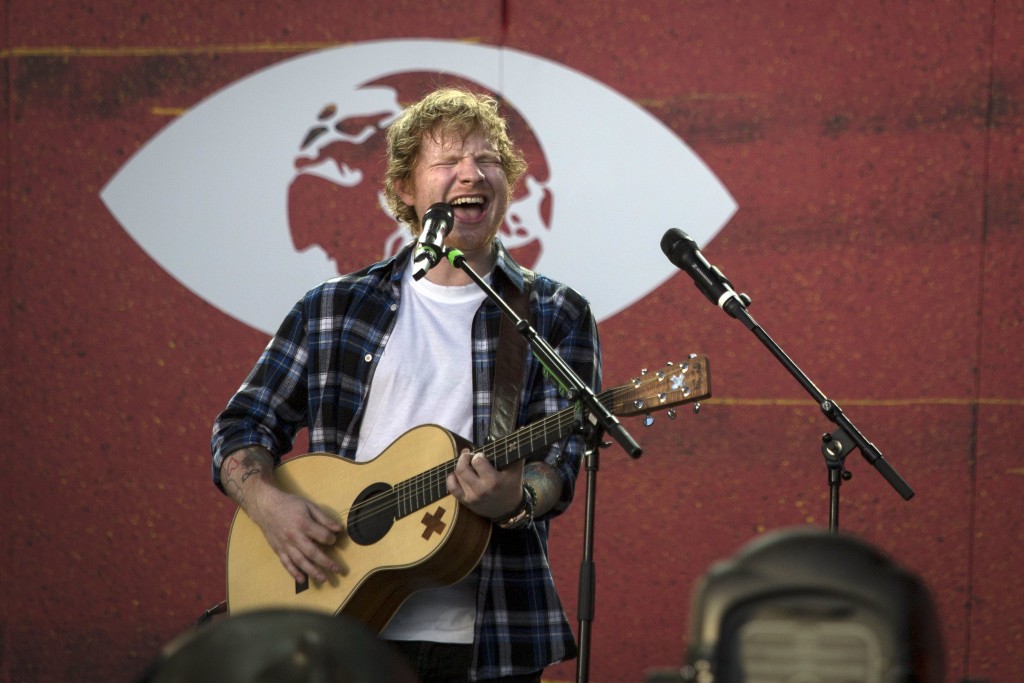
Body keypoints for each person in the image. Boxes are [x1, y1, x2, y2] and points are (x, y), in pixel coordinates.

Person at [210, 87, 602, 683]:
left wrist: (516, 499)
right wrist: (270, 506)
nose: (472, 173)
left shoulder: (554, 312)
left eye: (488, 158)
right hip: (333, 621)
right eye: (448, 162)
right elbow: (242, 425)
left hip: (491, 638)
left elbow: (559, 461)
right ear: (405, 189)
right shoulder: (334, 307)